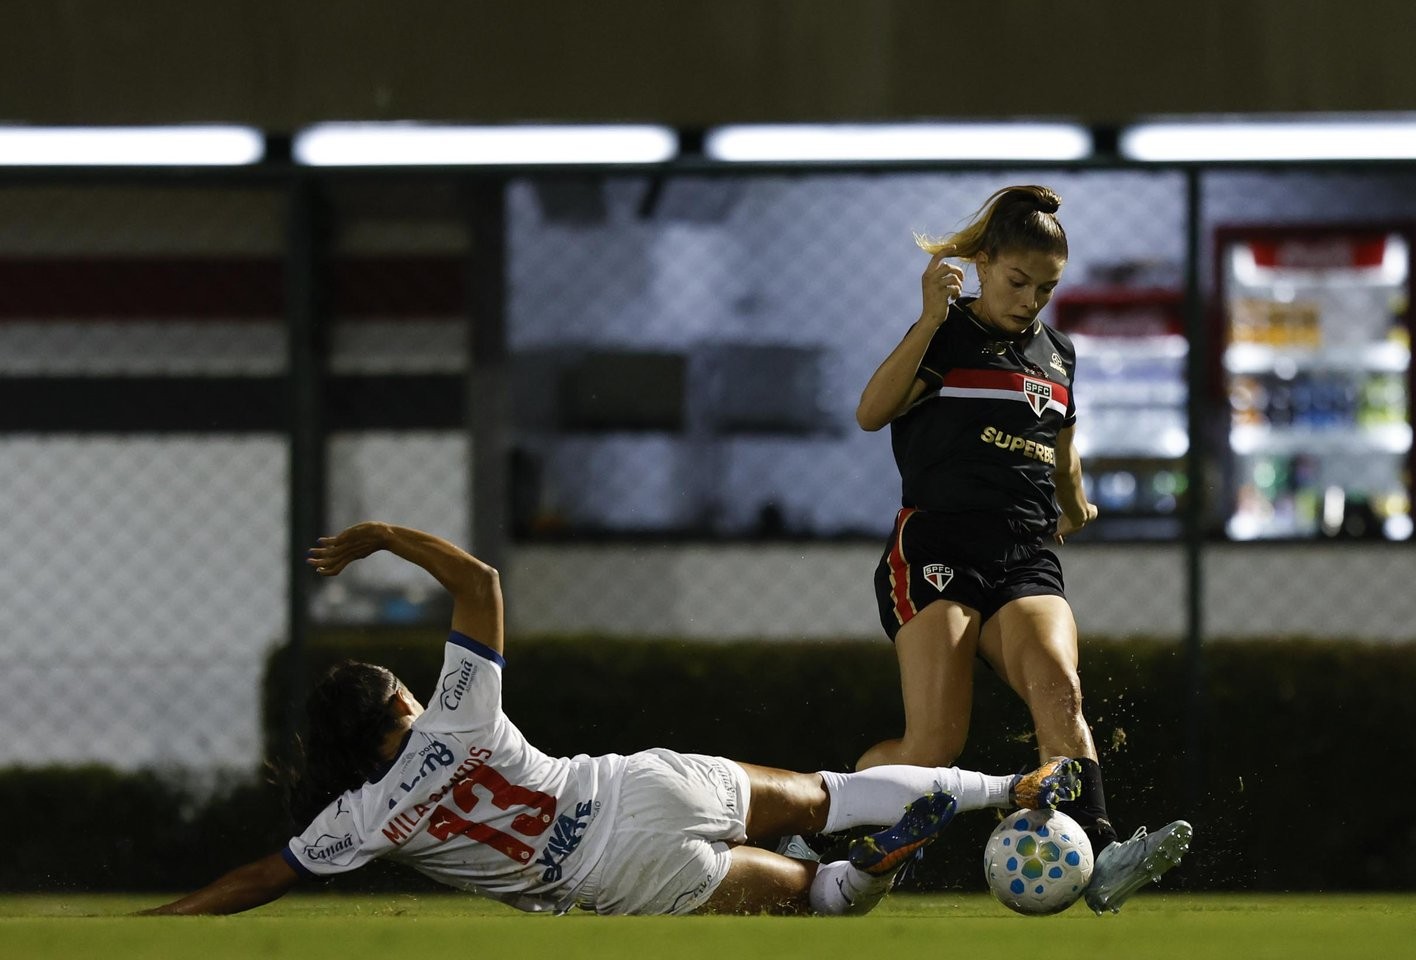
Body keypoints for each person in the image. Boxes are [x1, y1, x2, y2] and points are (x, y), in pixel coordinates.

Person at [143, 522, 1082, 918]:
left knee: (811, 902)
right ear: (400, 703)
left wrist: (165, 918)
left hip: (618, 876)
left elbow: (261, 876)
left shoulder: (358, 823)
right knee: (828, 795)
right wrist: (385, 537)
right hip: (635, 783)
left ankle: (859, 878)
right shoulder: (456, 720)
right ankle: (1007, 786)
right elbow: (480, 583)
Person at [852, 185, 1191, 915]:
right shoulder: (943, 338)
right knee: (934, 745)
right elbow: (870, 412)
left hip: (1023, 555)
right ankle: (823, 820)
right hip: (938, 546)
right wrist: (926, 318)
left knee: (1060, 690)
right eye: (1018, 281)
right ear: (980, 264)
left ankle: (1100, 857)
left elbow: (1062, 452)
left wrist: (1075, 506)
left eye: (1047, 287)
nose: (1032, 298)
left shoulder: (1058, 355)